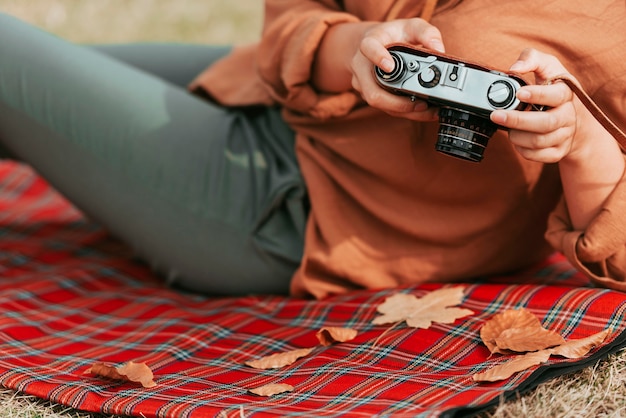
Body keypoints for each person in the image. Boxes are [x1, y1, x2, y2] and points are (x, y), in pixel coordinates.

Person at [0, 0, 625, 299]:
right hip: (260, 92)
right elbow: (293, 23)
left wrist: (580, 142)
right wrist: (358, 49)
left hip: (294, 206)